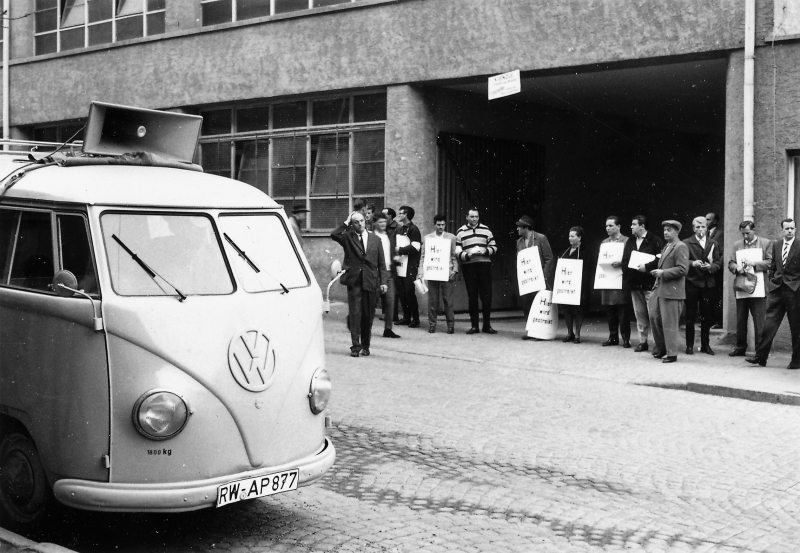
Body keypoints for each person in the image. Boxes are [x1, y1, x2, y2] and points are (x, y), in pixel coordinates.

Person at [330, 211, 389, 357]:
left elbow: (381, 263)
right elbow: (334, 234)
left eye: (362, 221)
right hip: (355, 281)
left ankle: (365, 345)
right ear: (352, 224)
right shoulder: (348, 238)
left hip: (370, 280)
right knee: (355, 313)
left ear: (365, 221)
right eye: (356, 222)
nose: (360, 224)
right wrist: (346, 221)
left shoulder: (376, 239)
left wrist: (383, 282)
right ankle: (355, 347)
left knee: (368, 315)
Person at [747, 218, 800, 369]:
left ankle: (796, 360)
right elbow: (773, 266)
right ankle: (760, 357)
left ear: (795, 229)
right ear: (782, 230)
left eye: (792, 228)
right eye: (787, 228)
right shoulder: (777, 245)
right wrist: (772, 280)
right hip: (777, 290)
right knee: (769, 324)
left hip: (794, 291)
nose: (789, 231)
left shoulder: (799, 245)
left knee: (796, 326)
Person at [727, 221, 772, 357]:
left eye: (748, 233)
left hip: (759, 287)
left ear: (754, 230)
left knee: (760, 320)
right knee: (741, 318)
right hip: (742, 284)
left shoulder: (765, 243)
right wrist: (736, 268)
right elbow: (731, 262)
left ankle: (761, 350)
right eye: (743, 234)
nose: (746, 236)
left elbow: (770, 262)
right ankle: (740, 347)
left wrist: (754, 264)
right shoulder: (737, 245)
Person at [648, 220, 689, 363]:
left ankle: (672, 353)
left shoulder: (680, 246)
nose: (666, 232)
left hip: (672, 291)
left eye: (669, 230)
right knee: (654, 317)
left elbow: (683, 269)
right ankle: (662, 348)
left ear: (676, 232)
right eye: (665, 229)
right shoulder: (667, 246)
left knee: (669, 323)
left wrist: (663, 272)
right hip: (660, 289)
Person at [621, 215, 662, 352]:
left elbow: (659, 260)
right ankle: (643, 342)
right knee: (639, 314)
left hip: (649, 283)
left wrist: (647, 267)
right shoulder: (630, 241)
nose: (631, 227)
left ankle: (658, 343)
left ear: (642, 226)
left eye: (634, 224)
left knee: (653, 315)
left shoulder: (655, 240)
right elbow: (625, 259)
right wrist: (628, 275)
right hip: (634, 283)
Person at [683, 216, 722, 355]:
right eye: (697, 227)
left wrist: (710, 267)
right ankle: (689, 345)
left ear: (707, 228)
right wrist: (692, 263)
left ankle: (705, 345)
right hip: (692, 283)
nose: (701, 229)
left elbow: (718, 263)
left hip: (707, 284)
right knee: (690, 315)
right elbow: (682, 262)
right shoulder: (686, 243)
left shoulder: (713, 244)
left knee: (706, 316)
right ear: (694, 229)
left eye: (703, 227)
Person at [456, 208, 498, 334]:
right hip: (469, 266)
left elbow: (494, 247)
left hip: (484, 265)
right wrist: (467, 255)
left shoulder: (486, 230)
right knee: (472, 296)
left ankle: (487, 325)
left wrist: (485, 251)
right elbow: (457, 251)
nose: (474, 219)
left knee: (486, 296)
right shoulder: (460, 232)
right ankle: (474, 326)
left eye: (476, 217)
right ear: (467, 217)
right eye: (472, 217)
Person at [515, 215, 554, 340]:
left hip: (539, 279)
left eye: (519, 227)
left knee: (539, 305)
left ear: (526, 228)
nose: (517, 230)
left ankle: (540, 332)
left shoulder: (541, 238)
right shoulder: (519, 242)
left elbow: (549, 258)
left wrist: (544, 276)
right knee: (527, 305)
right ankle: (530, 331)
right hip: (527, 280)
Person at [420, 214, 458, 334]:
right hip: (433, 271)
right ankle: (432, 324)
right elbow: (423, 256)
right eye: (438, 224)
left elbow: (454, 255)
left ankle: (450, 325)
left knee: (448, 300)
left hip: (447, 271)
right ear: (434, 224)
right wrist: (421, 271)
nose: (441, 227)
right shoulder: (427, 238)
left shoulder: (451, 237)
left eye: (443, 225)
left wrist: (455, 270)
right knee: (432, 300)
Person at [600, 215, 632, 347]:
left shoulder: (627, 241)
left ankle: (626, 338)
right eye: (606, 226)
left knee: (623, 310)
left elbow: (631, 259)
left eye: (611, 225)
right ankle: (613, 337)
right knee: (610, 310)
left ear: (618, 227)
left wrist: (621, 263)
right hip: (608, 279)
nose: (608, 228)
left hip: (621, 279)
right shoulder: (604, 243)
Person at [559, 226, 591, 343]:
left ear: (579, 238)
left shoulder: (585, 252)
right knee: (566, 309)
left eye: (573, 236)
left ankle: (577, 333)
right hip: (567, 285)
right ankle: (569, 332)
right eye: (569, 236)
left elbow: (587, 271)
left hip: (580, 286)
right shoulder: (566, 252)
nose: (570, 238)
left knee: (579, 310)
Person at [372, 211, 401, 339]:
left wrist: (396, 256)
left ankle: (388, 329)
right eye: (380, 222)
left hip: (388, 272)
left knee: (390, 301)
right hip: (375, 272)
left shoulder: (390, 235)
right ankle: (362, 325)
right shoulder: (371, 236)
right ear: (374, 224)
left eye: (385, 222)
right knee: (371, 302)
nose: (383, 224)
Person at [394, 205, 422, 328]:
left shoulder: (414, 229)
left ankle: (415, 319)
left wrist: (399, 250)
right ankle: (406, 317)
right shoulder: (400, 229)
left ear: (406, 215)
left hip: (410, 265)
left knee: (409, 292)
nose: (399, 215)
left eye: (400, 213)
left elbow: (415, 248)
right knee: (401, 292)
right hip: (400, 265)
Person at [707, 212, 725, 328]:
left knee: (716, 295)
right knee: (708, 295)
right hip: (706, 270)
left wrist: (716, 266)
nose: (706, 221)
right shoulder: (704, 234)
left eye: (708, 219)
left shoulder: (720, 234)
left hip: (716, 270)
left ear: (715, 221)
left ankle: (718, 321)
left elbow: (722, 253)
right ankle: (709, 319)